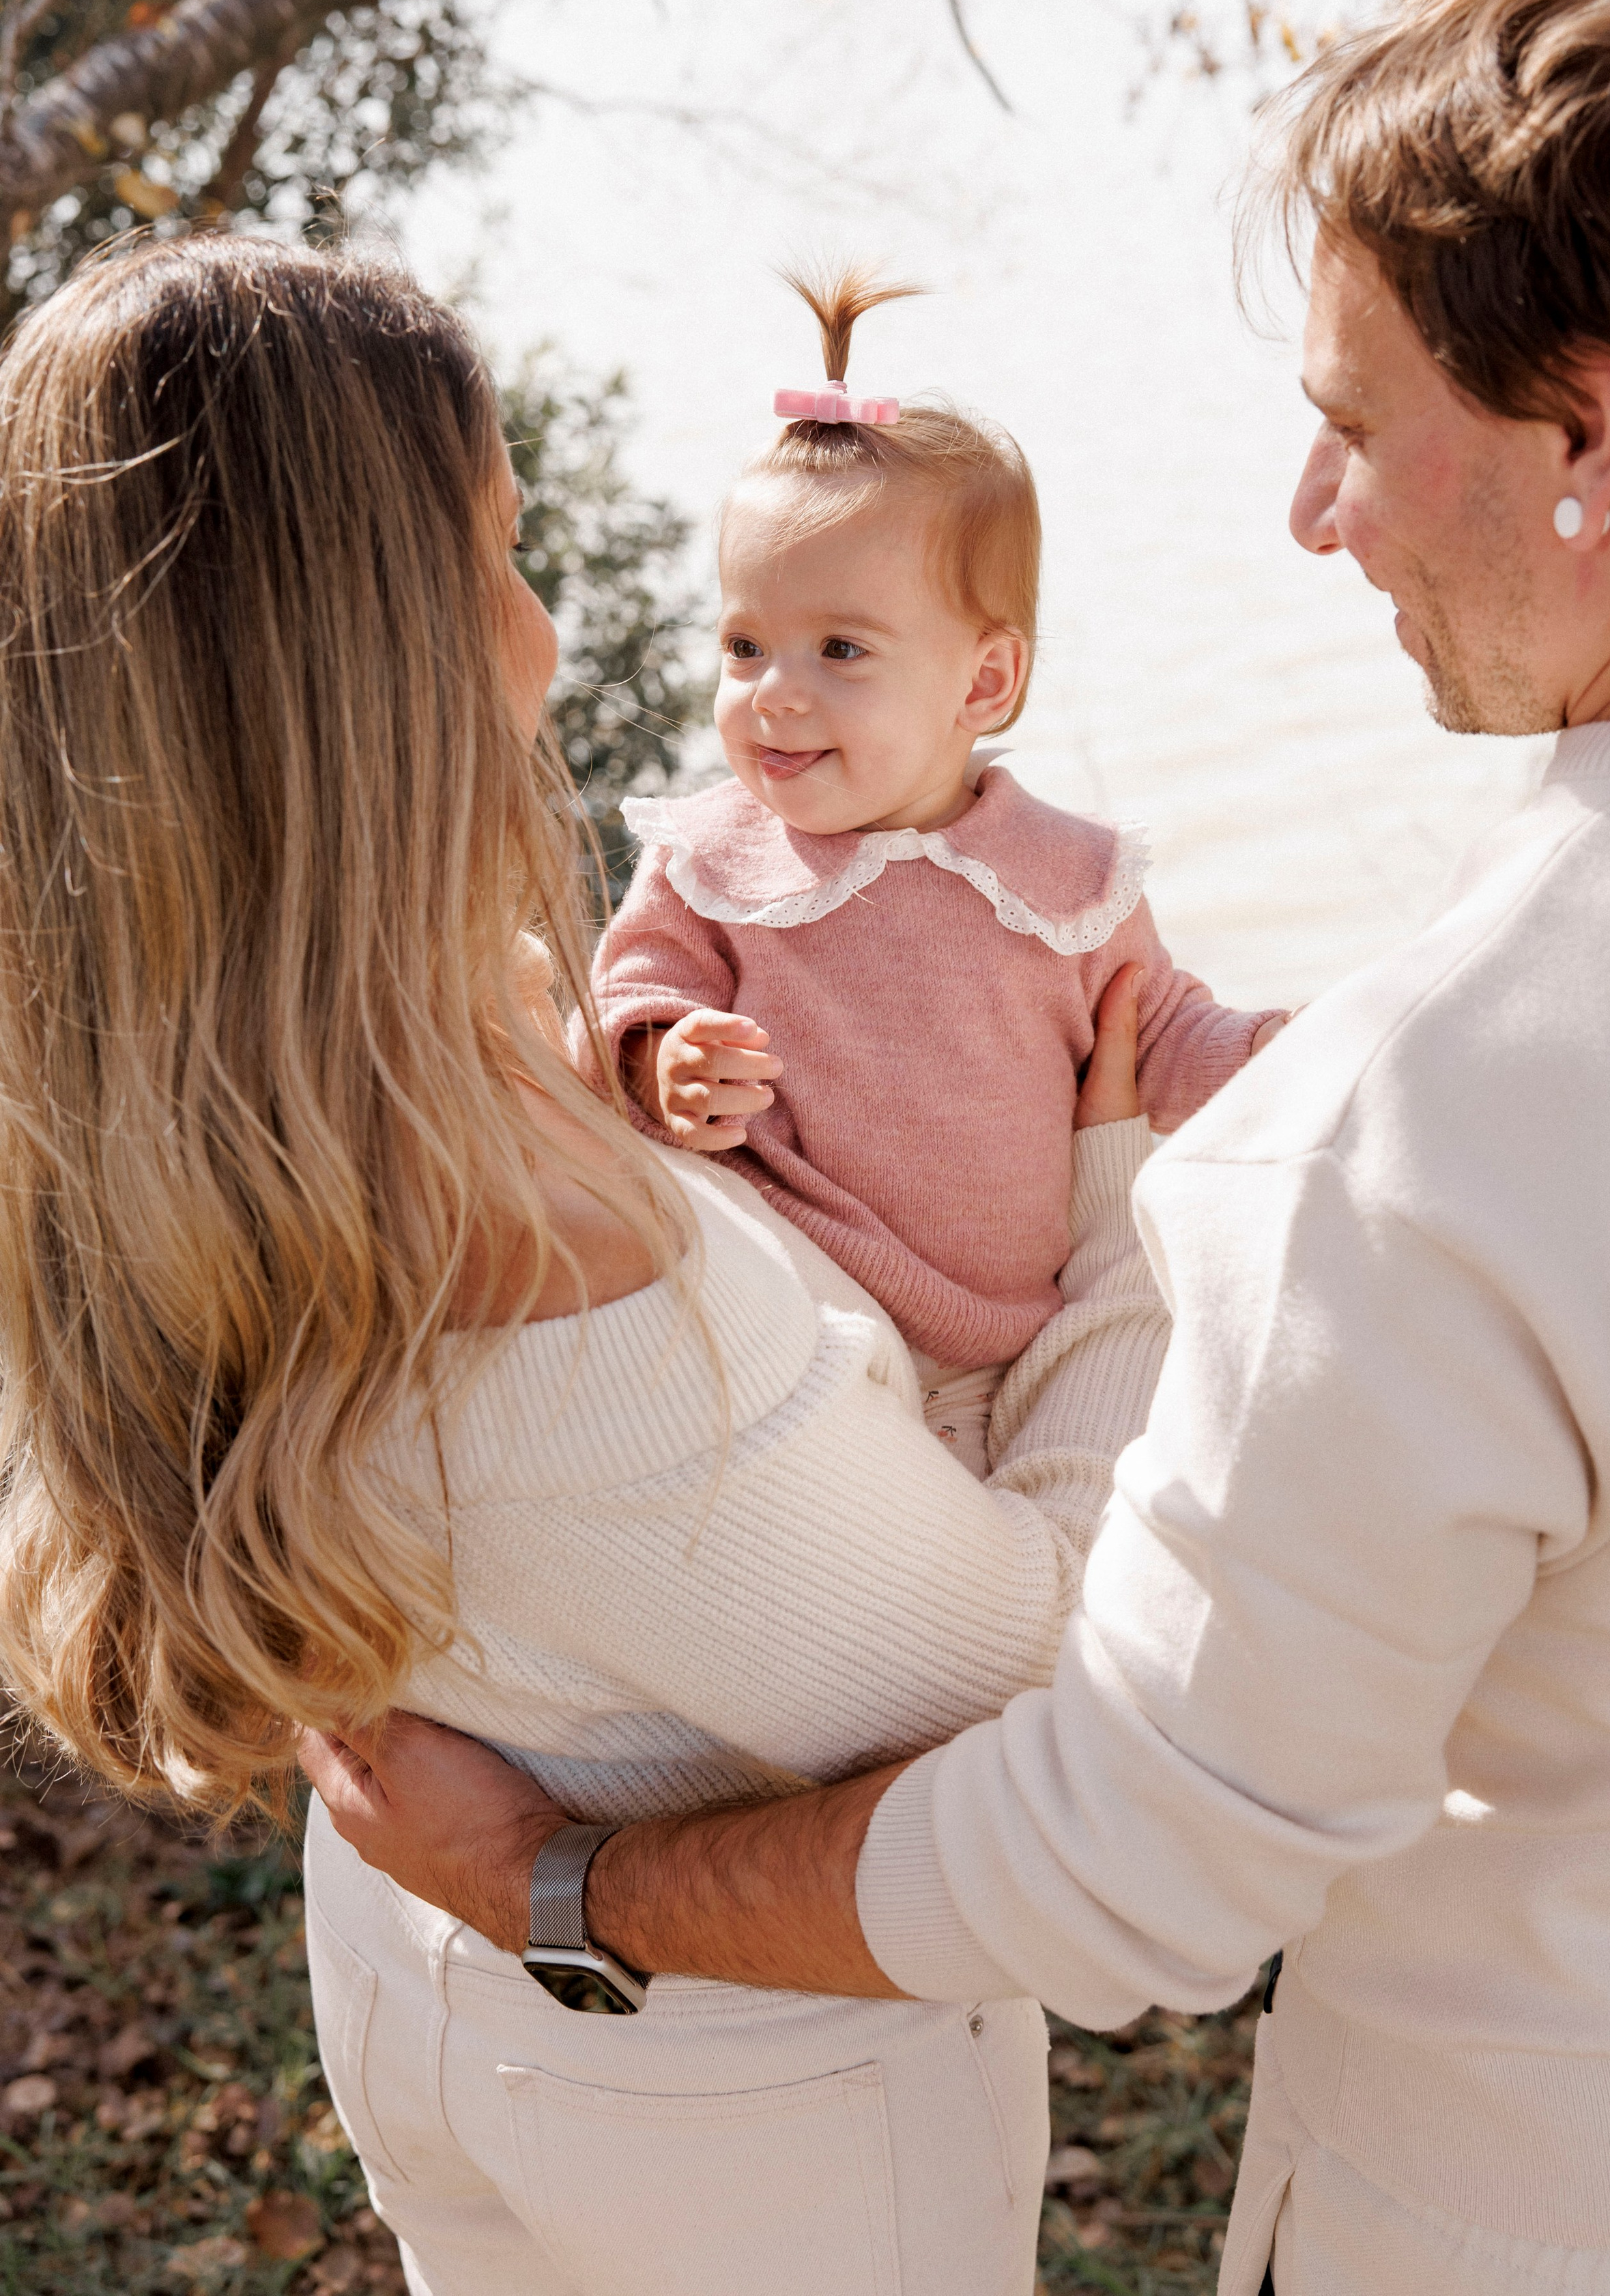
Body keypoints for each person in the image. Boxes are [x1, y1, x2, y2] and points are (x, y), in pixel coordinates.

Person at [304, 0, 1610, 2296]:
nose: (1313, 514)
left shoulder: (1442, 1111)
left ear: (1589, 436)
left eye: (1358, 426)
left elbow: (1132, 1862)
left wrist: (560, 1886)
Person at [0, 231, 1172, 2296]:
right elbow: (1042, 1691)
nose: (546, 636)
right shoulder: (553, 1253)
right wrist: (1121, 1197)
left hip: (404, 1968)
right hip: (730, 2110)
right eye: (505, 556)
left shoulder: (148, 1086)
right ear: (391, 652)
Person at [599, 263, 1287, 1476]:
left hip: (1021, 1344)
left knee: (1104, 1509)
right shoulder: (715, 857)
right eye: (745, 643)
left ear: (984, 682)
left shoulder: (1067, 879)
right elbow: (633, 985)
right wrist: (665, 1057)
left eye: (839, 649)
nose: (774, 693)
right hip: (796, 1312)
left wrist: (1272, 1057)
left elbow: (1160, 1029)